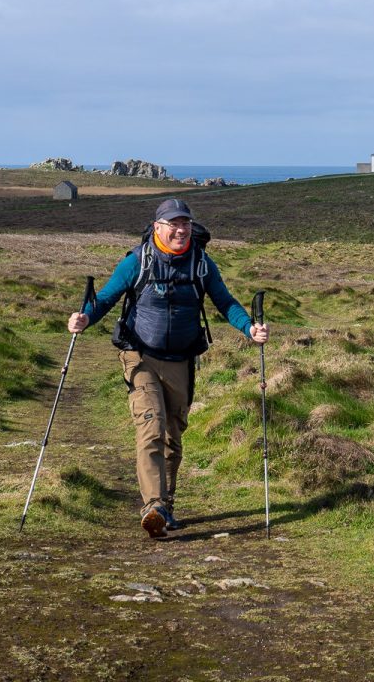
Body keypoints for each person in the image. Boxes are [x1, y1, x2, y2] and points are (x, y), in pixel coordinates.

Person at [67, 197, 269, 538]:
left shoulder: (201, 264)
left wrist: (250, 327)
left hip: (181, 360)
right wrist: (85, 317)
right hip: (140, 356)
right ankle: (153, 505)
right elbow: (106, 297)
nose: (180, 229)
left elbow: (225, 302)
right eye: (173, 223)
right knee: (151, 426)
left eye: (185, 223)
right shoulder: (137, 261)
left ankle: (167, 508)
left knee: (173, 436)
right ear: (158, 227)